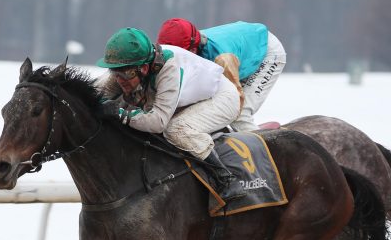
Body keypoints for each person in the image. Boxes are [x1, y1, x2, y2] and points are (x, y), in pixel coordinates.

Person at [95, 27, 245, 201]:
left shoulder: (168, 68)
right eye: (115, 72)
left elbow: (157, 122)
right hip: (186, 97)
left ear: (143, 68)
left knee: (176, 130)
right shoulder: (131, 68)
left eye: (125, 73)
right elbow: (95, 93)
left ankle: (226, 179)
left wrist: (120, 113)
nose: (119, 79)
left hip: (222, 98)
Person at [157, 19, 286, 132]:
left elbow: (235, 102)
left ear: (193, 50)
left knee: (240, 114)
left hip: (267, 51)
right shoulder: (185, 46)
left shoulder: (222, 59)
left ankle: (259, 153)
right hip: (242, 44)